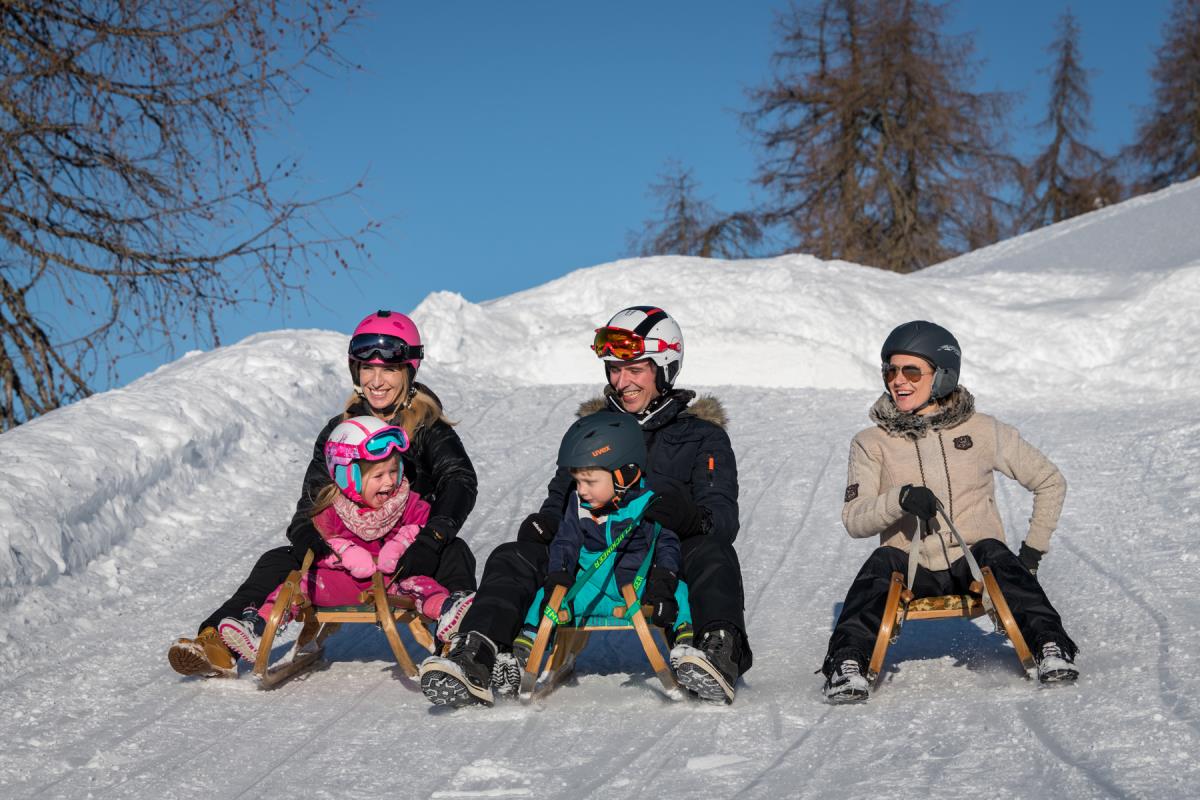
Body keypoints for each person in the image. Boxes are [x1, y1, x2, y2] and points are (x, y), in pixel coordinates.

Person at [418, 306, 749, 706]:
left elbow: (722, 520)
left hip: (660, 563)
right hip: (588, 556)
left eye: (635, 369)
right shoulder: (592, 428)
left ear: (664, 367)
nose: (621, 381)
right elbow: (561, 498)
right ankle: (478, 652)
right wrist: (546, 521)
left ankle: (718, 650)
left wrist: (689, 516)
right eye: (614, 369)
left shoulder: (701, 437)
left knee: (714, 552)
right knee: (512, 556)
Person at [168, 310, 478, 678]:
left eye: (389, 370)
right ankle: (219, 640)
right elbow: (312, 499)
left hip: (408, 553)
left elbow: (459, 479)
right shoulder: (340, 430)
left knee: (456, 553)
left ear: (408, 371)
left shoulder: (427, 427)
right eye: (367, 369)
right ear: (355, 371)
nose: (377, 381)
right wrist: (314, 540)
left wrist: (433, 537)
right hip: (347, 553)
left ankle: (461, 645)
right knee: (277, 562)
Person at [821, 320, 1078, 703]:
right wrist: (900, 499)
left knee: (995, 551)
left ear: (942, 376)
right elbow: (854, 519)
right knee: (879, 562)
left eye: (911, 370)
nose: (897, 381)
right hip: (912, 568)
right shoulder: (871, 442)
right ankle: (847, 663)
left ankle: (1050, 646)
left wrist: (1032, 553)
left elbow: (1049, 481)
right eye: (890, 370)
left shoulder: (984, 431)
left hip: (974, 566)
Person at [422, 412, 693, 705]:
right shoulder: (580, 505)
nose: (581, 490)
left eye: (589, 481)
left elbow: (667, 545)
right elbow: (565, 541)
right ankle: (523, 650)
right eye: (578, 481)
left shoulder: (651, 504)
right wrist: (559, 575)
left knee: (681, 590)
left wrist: (663, 582)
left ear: (626, 474)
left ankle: (686, 646)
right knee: (543, 597)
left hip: (633, 588)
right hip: (585, 586)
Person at [216, 416, 464, 660]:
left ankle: (448, 613)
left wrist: (401, 543)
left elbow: (424, 522)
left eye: (393, 471)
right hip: (345, 583)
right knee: (297, 584)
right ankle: (258, 627)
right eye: (378, 476)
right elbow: (318, 548)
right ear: (348, 477)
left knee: (422, 583)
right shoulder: (330, 511)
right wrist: (342, 553)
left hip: (396, 580)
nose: (390, 481)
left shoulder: (407, 501)